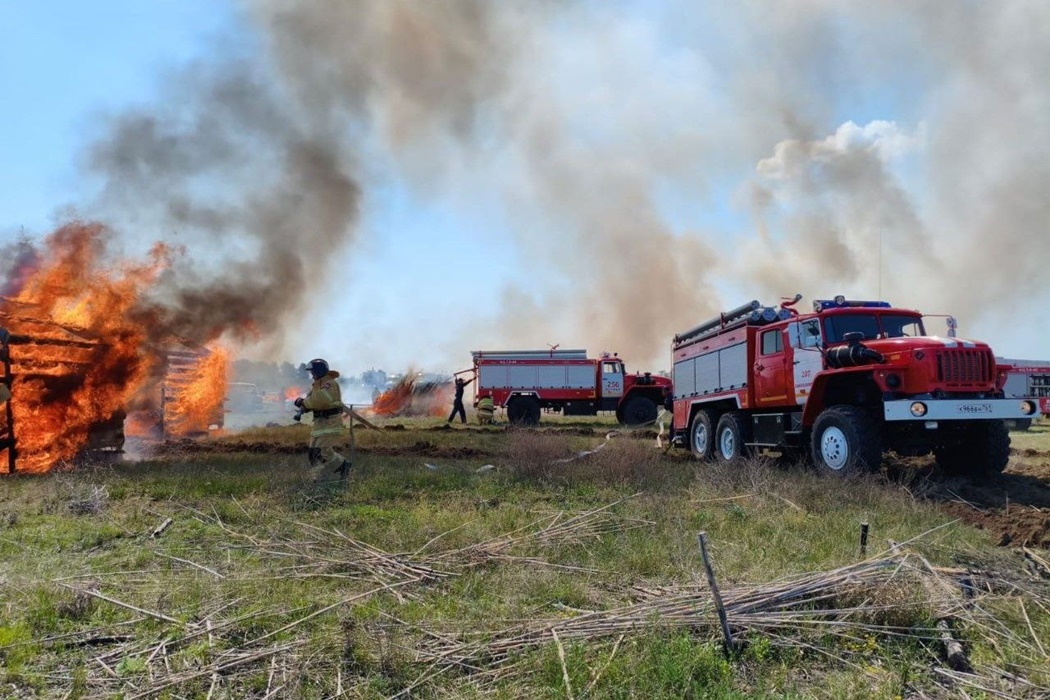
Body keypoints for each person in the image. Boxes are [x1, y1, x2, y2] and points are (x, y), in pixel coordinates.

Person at [295, 358, 351, 480]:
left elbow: (322, 399)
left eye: (313, 372)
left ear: (319, 371)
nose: (312, 375)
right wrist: (305, 407)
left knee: (322, 451)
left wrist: (304, 402)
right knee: (313, 454)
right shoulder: (318, 385)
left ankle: (342, 465)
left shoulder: (329, 383)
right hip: (320, 425)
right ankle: (320, 476)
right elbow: (315, 402)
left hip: (330, 423)